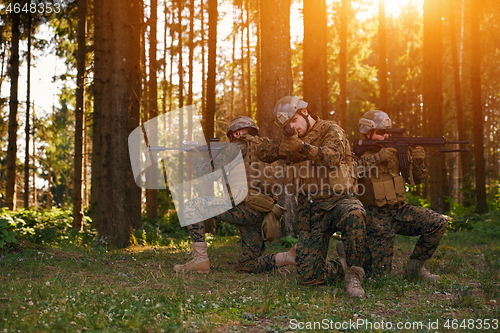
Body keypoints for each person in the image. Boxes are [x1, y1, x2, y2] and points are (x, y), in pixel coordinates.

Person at [257, 96, 367, 297]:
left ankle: (354, 275)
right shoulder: (290, 139)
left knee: (355, 212)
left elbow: (333, 157)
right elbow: (262, 151)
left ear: (304, 112)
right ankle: (342, 265)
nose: (293, 127)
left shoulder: (330, 130)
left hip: (338, 202)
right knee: (309, 279)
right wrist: (284, 147)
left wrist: (302, 148)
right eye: (287, 125)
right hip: (311, 210)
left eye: (294, 121)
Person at [173, 116, 295, 273]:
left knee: (192, 206)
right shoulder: (265, 147)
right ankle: (286, 257)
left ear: (240, 133)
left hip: (244, 208)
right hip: (263, 211)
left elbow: (209, 174)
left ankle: (200, 260)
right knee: (247, 265)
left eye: (237, 133)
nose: (236, 136)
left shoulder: (236, 147)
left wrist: (196, 159)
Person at [354, 110, 447, 280]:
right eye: (381, 133)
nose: (386, 136)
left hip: (401, 211)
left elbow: (416, 180)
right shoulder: (357, 153)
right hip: (375, 217)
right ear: (367, 132)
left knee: (437, 222)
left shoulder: (395, 153)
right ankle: (349, 251)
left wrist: (418, 162)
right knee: (379, 276)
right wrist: (377, 158)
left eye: (387, 132)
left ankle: (415, 269)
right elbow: (349, 172)